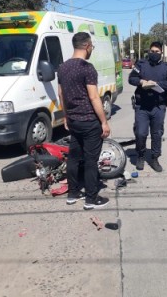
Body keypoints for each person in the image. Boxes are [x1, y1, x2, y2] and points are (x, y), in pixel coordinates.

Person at [57, 32, 111, 210]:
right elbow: (94, 97)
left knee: (73, 158)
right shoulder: (87, 68)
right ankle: (91, 199)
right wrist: (104, 121)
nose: (91, 50)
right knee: (90, 160)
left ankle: (72, 194)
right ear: (87, 46)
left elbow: (61, 94)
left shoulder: (63, 67)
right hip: (89, 121)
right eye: (92, 47)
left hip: (73, 120)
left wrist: (66, 116)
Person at [129, 41, 167, 172]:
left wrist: (157, 83)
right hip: (142, 106)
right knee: (140, 133)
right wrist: (141, 81)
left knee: (157, 134)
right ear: (148, 51)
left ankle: (154, 158)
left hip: (158, 106)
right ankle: (140, 155)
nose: (154, 54)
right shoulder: (141, 64)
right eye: (152, 51)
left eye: (157, 52)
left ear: (161, 53)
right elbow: (131, 78)